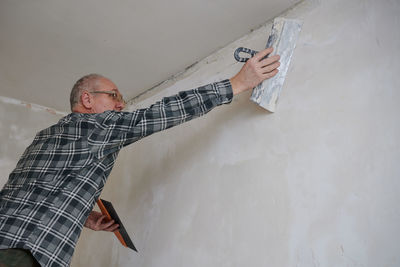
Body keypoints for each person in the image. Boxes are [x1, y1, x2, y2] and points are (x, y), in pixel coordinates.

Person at [0, 48, 280, 267]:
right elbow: (157, 114)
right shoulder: (93, 126)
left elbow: (34, 191)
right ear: (87, 100)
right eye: (113, 96)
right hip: (24, 253)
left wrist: (83, 216)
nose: (120, 104)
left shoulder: (46, 136)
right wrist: (237, 83)